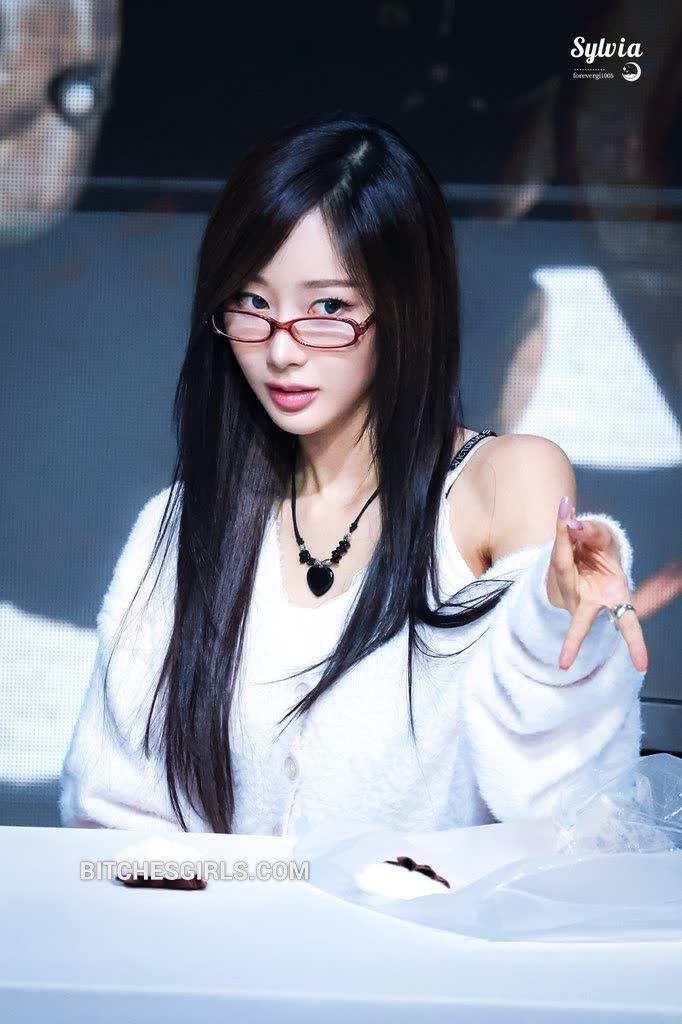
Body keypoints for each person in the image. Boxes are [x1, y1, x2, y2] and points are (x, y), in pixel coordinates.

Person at [59, 110, 648, 836]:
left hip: (443, 914)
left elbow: (565, 814)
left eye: (328, 307)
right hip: (223, 917)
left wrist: (558, 619)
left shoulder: (503, 482)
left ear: (403, 307)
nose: (281, 350)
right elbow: (115, 814)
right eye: (252, 302)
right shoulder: (180, 523)